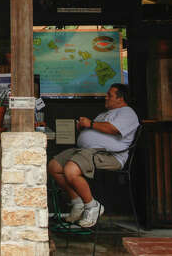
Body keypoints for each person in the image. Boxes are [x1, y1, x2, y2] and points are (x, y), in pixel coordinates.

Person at [47, 83, 139, 228]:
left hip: (109, 155)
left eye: (110, 95)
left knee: (70, 171)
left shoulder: (127, 113)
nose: (106, 97)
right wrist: (85, 128)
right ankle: (78, 203)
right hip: (87, 151)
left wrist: (90, 124)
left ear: (120, 99)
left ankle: (92, 206)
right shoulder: (105, 113)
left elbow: (113, 129)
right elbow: (97, 129)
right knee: (54, 166)